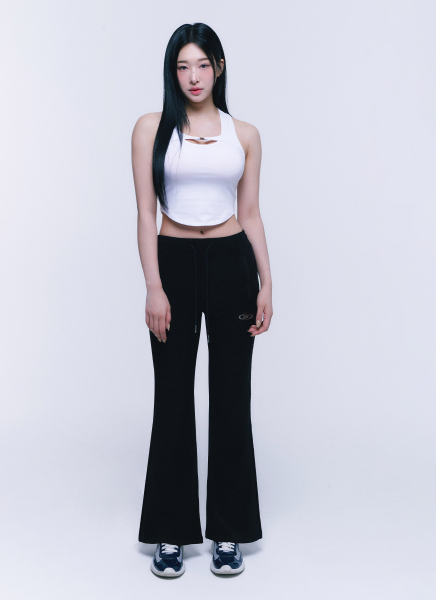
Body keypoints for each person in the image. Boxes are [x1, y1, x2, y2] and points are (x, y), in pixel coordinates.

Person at [131, 22, 273, 577]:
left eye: (202, 65)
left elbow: (251, 213)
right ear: (173, 73)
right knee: (172, 393)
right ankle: (170, 532)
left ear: (218, 68)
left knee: (232, 395)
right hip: (173, 262)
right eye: (182, 66)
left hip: (231, 261)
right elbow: (145, 213)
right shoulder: (151, 128)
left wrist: (266, 281)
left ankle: (228, 531)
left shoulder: (246, 134)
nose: (193, 77)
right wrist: (153, 284)